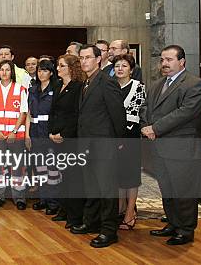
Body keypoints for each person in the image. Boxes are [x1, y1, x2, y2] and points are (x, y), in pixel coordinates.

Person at [141, 45, 201, 245]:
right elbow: (145, 107)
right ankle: (172, 223)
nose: (164, 64)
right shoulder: (156, 84)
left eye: (169, 60)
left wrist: (155, 128)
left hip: (182, 148)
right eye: (162, 60)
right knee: (167, 189)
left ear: (182, 61)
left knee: (184, 192)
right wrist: (146, 126)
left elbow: (185, 113)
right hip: (160, 147)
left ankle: (185, 230)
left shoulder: (196, 84)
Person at [70, 44, 126, 248]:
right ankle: (91, 222)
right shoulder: (86, 82)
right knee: (91, 187)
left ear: (98, 59)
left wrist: (119, 142)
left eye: (88, 58)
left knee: (106, 190)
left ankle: (109, 231)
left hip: (104, 145)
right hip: (86, 145)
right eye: (81, 58)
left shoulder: (107, 82)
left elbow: (118, 115)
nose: (84, 61)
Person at [49, 54, 85, 229]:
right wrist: (51, 131)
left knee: (73, 178)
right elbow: (53, 111)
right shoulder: (57, 85)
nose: (57, 69)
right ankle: (63, 210)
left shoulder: (78, 87)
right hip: (56, 137)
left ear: (71, 68)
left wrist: (63, 133)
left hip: (70, 138)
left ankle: (75, 216)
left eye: (61, 66)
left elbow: (77, 115)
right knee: (61, 176)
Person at [0, 60, 28, 208]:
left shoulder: (21, 89)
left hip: (15, 135)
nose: (4, 72)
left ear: (12, 72)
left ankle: (19, 197)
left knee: (17, 165)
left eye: (7, 70)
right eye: (1, 69)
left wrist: (14, 131)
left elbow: (23, 113)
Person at [112, 54, 145, 230]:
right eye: (117, 66)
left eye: (124, 66)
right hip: (113, 136)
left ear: (131, 70)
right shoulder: (111, 86)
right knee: (117, 175)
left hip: (131, 137)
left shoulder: (138, 87)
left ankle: (130, 213)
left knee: (131, 177)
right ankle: (120, 209)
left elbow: (138, 114)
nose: (120, 69)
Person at [26, 59, 59, 215]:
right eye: (39, 70)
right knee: (39, 167)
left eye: (45, 70)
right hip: (34, 131)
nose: (41, 73)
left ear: (51, 73)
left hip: (48, 131)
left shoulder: (56, 88)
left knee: (52, 168)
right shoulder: (32, 89)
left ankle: (53, 201)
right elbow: (28, 114)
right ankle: (43, 199)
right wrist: (27, 134)